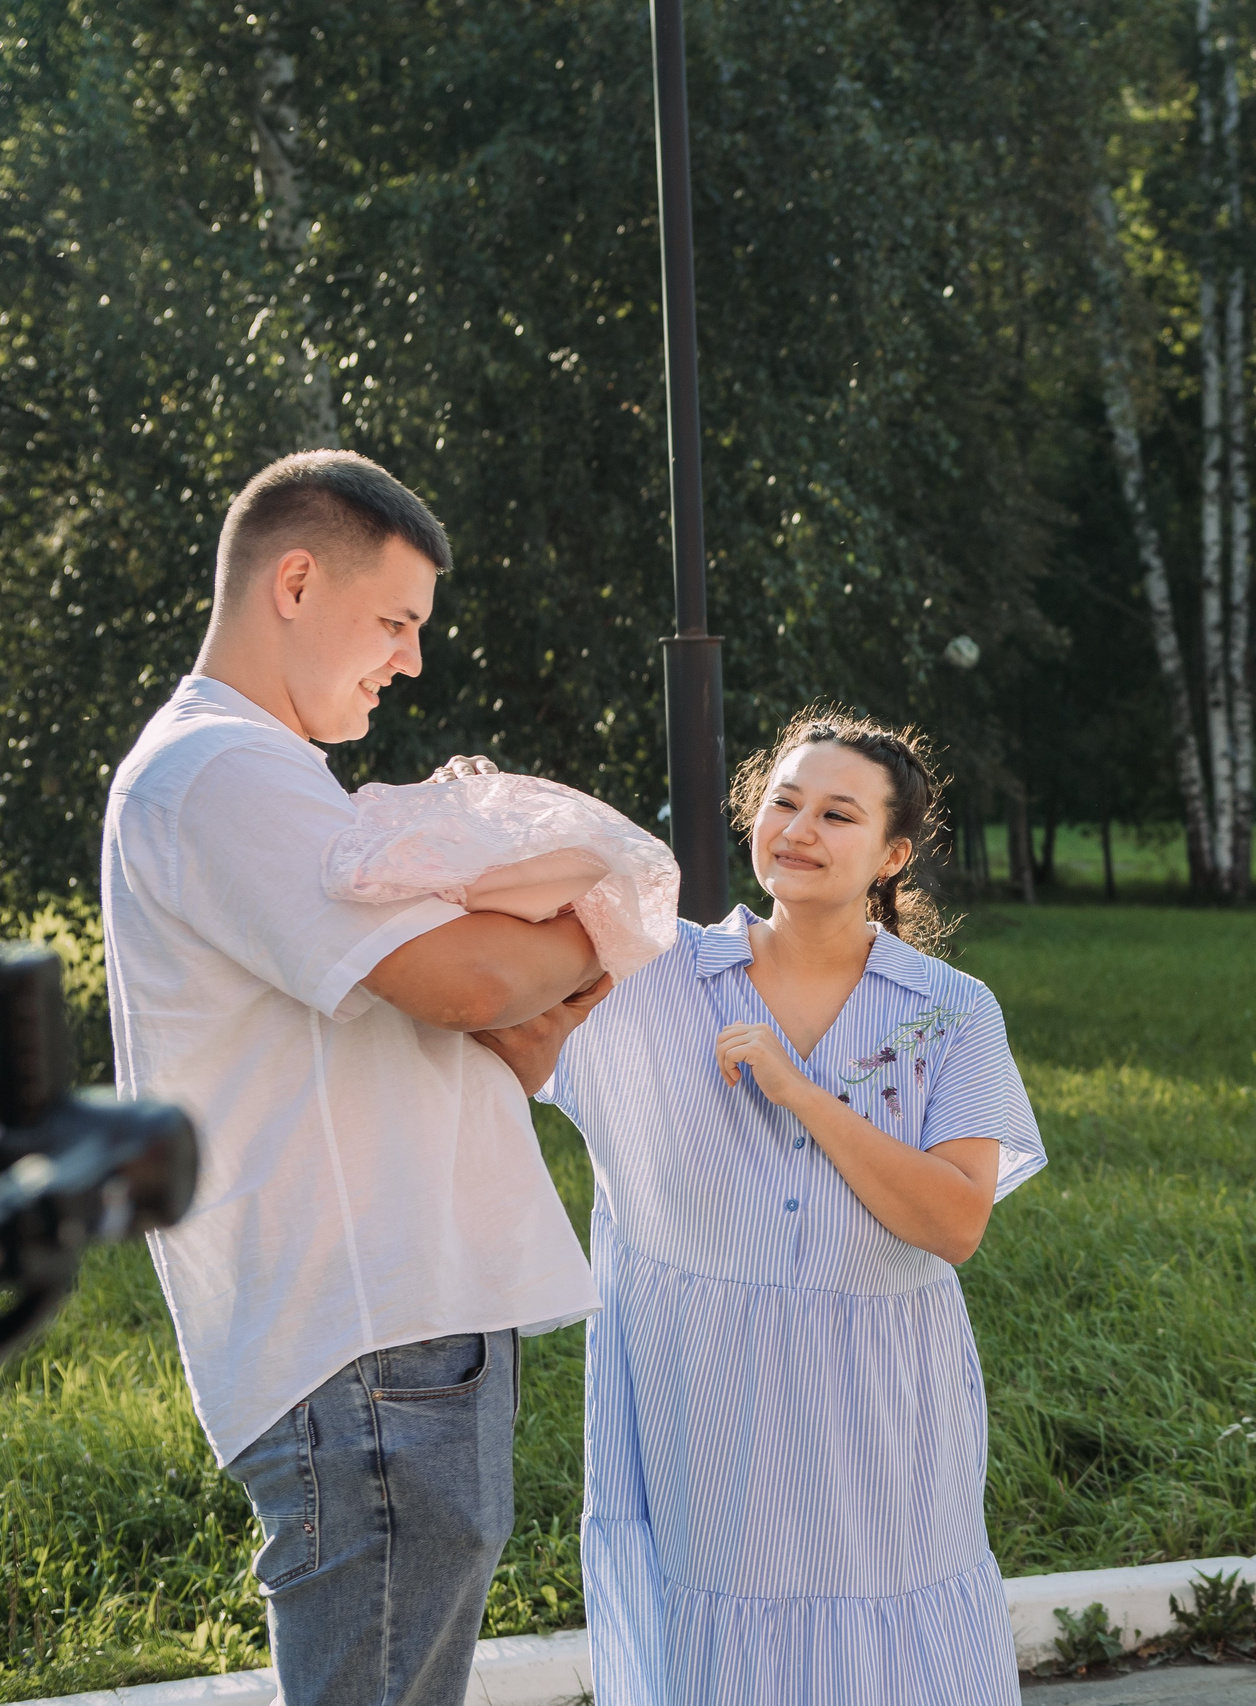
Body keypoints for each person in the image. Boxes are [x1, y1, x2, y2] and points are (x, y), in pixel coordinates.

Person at [101, 450, 607, 1706]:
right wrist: (606, 912)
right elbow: (463, 983)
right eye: (395, 620)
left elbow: (452, 999)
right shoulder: (222, 771)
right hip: (366, 1335)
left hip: (388, 1329)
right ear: (293, 580)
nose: (412, 658)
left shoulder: (261, 771)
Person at [488, 707, 1045, 1705]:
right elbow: (516, 1039)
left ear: (892, 852)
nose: (801, 828)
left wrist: (799, 1090)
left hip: (884, 1401)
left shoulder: (948, 1007)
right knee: (722, 1641)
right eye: (783, 801)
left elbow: (955, 1220)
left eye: (839, 813)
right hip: (707, 1395)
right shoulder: (651, 971)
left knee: (895, 1632)